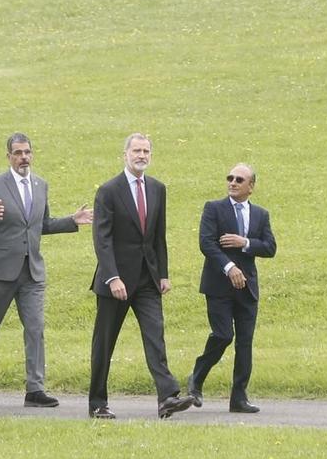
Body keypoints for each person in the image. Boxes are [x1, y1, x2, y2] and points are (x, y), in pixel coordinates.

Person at [0, 132, 92, 407]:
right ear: (8, 156)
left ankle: (35, 389)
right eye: (18, 153)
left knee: (35, 327)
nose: (23, 158)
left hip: (31, 272)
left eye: (27, 152)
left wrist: (71, 221)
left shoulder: (40, 185)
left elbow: (41, 225)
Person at [86, 133, 194, 420]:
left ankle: (167, 397)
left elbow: (158, 236)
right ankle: (97, 402)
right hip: (116, 282)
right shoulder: (109, 191)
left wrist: (164, 274)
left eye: (146, 151)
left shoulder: (158, 189)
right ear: (125, 154)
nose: (142, 155)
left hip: (148, 280)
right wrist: (112, 277)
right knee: (104, 344)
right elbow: (102, 239)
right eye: (137, 150)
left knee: (155, 336)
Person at [189, 163, 276, 413]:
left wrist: (245, 242)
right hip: (219, 286)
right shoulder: (214, 208)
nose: (233, 182)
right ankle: (197, 377)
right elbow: (206, 243)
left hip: (247, 288)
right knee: (223, 335)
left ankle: (238, 398)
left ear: (251, 187)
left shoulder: (260, 214)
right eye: (230, 178)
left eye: (239, 179)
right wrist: (229, 267)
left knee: (245, 343)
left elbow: (270, 247)